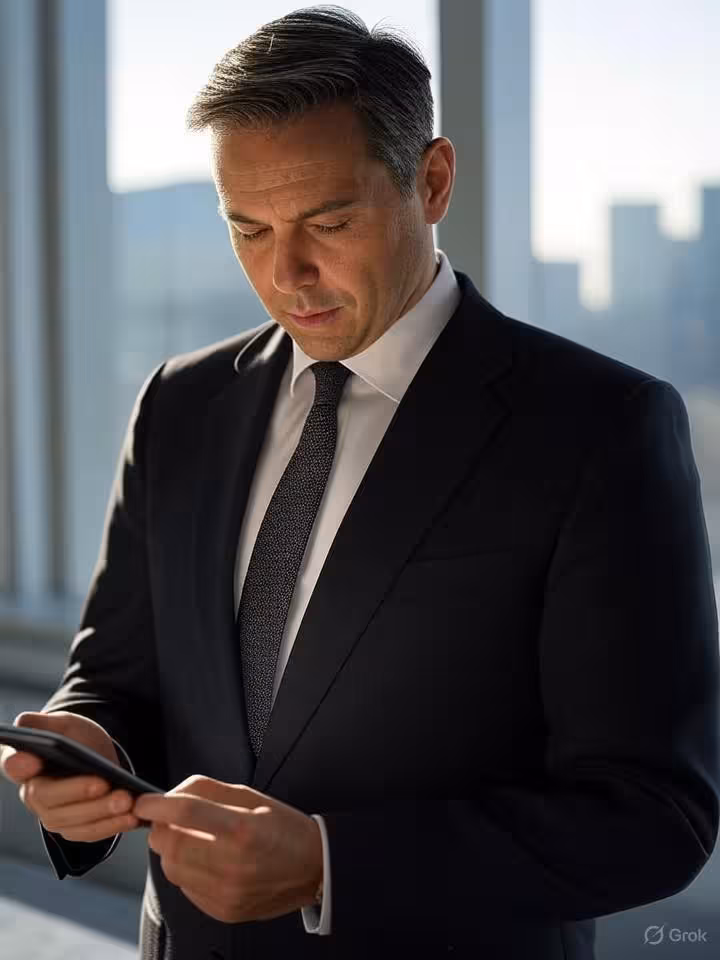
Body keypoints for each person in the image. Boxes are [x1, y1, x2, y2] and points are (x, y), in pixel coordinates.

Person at [1, 5, 719, 959]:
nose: (286, 272)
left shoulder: (599, 427)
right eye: (247, 228)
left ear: (432, 180)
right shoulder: (180, 405)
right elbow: (119, 672)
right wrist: (91, 748)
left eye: (328, 222)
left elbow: (655, 812)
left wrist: (333, 864)